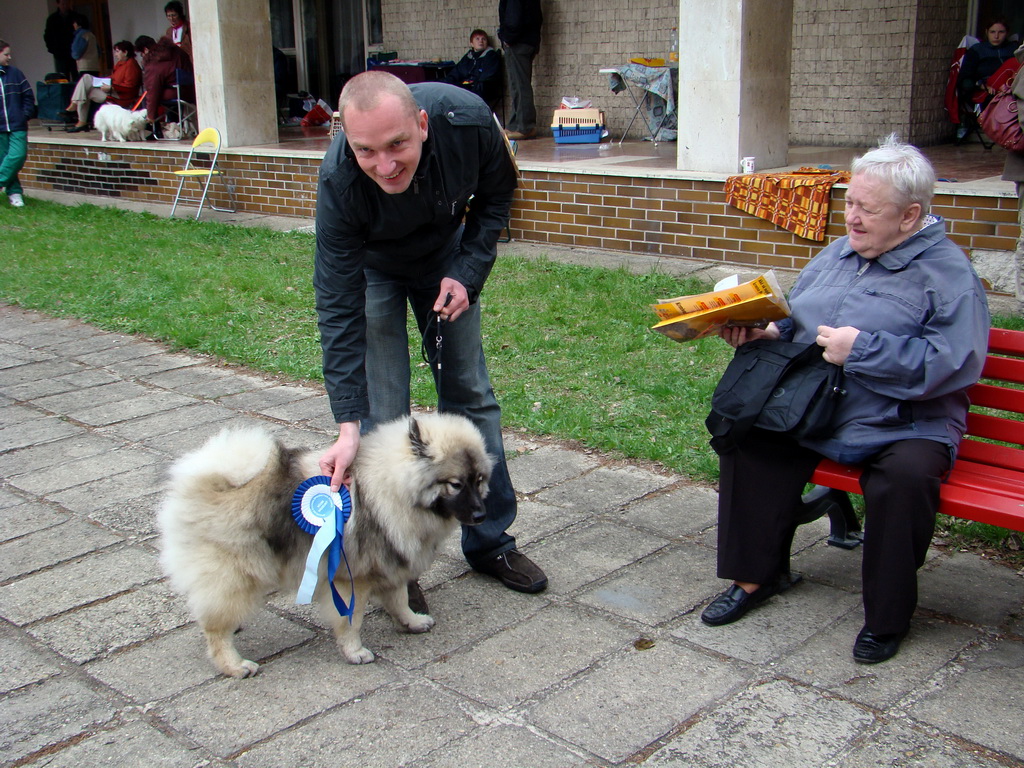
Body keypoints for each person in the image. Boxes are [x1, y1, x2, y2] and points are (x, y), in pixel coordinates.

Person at [700, 135, 990, 665]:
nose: (850, 218)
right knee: (748, 437)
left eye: (866, 209)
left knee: (905, 479)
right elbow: (802, 318)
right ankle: (758, 577)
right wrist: (769, 332)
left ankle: (887, 616)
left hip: (905, 421)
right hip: (819, 402)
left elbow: (955, 362)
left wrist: (864, 350)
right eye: (850, 202)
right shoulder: (840, 252)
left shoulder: (950, 276)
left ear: (910, 217)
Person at [314, 71, 547, 599]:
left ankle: (491, 542)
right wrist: (346, 423)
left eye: (397, 144)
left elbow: (496, 196)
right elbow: (338, 305)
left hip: (447, 253)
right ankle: (397, 563)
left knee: (471, 398)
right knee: (385, 417)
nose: (385, 165)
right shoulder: (339, 183)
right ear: (347, 140)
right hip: (373, 268)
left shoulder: (466, 121)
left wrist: (466, 273)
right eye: (366, 151)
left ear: (422, 124)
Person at [64, 40, 142, 133]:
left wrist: (112, 88)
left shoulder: (131, 65)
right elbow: (113, 78)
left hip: (121, 96)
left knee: (86, 80)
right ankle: (80, 120)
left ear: (125, 52)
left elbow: (130, 87)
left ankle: (76, 110)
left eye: (117, 51)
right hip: (112, 90)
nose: (115, 54)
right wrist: (102, 82)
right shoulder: (120, 64)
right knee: (85, 91)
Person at [0, 40, 37, 209]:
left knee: (17, 155)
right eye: (6, 54)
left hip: (17, 125)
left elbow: (28, 96)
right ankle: (14, 193)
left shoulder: (15, 73)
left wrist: (24, 115)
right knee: (5, 159)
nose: (10, 57)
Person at [497, 0, 542, 139]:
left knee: (519, 85)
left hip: (518, 43)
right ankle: (515, 125)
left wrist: (506, 38)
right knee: (519, 84)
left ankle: (524, 127)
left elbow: (513, 19)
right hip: (528, 42)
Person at [140, 36, 193, 139]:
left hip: (175, 93)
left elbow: (152, 90)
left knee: (148, 97)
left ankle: (156, 130)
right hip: (189, 91)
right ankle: (174, 126)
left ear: (145, 50)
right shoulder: (176, 51)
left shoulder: (154, 63)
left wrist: (151, 115)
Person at [445, 29, 501, 107]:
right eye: (477, 39)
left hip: (481, 91)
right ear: (471, 43)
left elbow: (487, 78)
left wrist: (472, 86)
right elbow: (457, 72)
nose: (481, 41)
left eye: (483, 39)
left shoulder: (491, 56)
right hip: (465, 88)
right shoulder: (468, 57)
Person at [43, 0, 77, 80]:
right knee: (62, 78)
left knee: (76, 78)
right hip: (60, 54)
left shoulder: (75, 17)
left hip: (74, 53)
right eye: (63, 4)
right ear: (58, 4)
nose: (65, 6)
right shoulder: (52, 19)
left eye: (67, 3)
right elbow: (48, 36)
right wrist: (53, 49)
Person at [70, 14, 101, 78]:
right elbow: (99, 51)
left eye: (74, 23)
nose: (73, 25)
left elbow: (76, 53)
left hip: (85, 67)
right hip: (95, 66)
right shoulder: (91, 35)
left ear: (78, 23)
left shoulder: (80, 35)